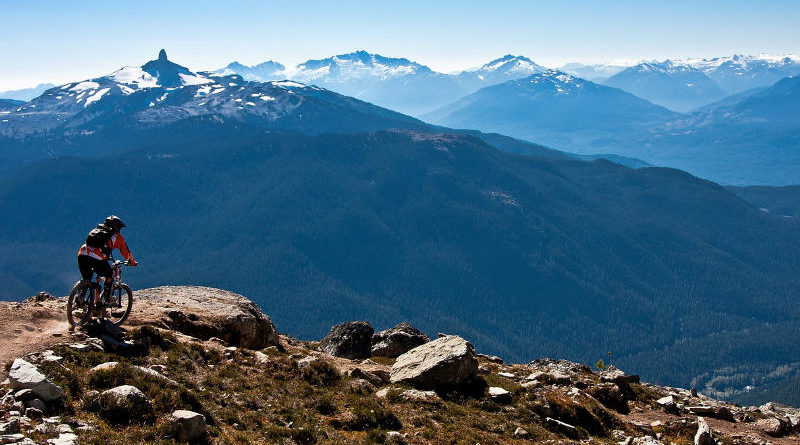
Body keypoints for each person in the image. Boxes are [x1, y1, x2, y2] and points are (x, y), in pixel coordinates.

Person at [77, 215, 137, 302]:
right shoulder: (117, 237)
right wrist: (132, 262)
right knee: (109, 275)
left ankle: (80, 299)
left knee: (87, 278)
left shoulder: (97, 230)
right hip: (96, 257)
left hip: (82, 253)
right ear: (116, 227)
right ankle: (107, 299)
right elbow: (126, 252)